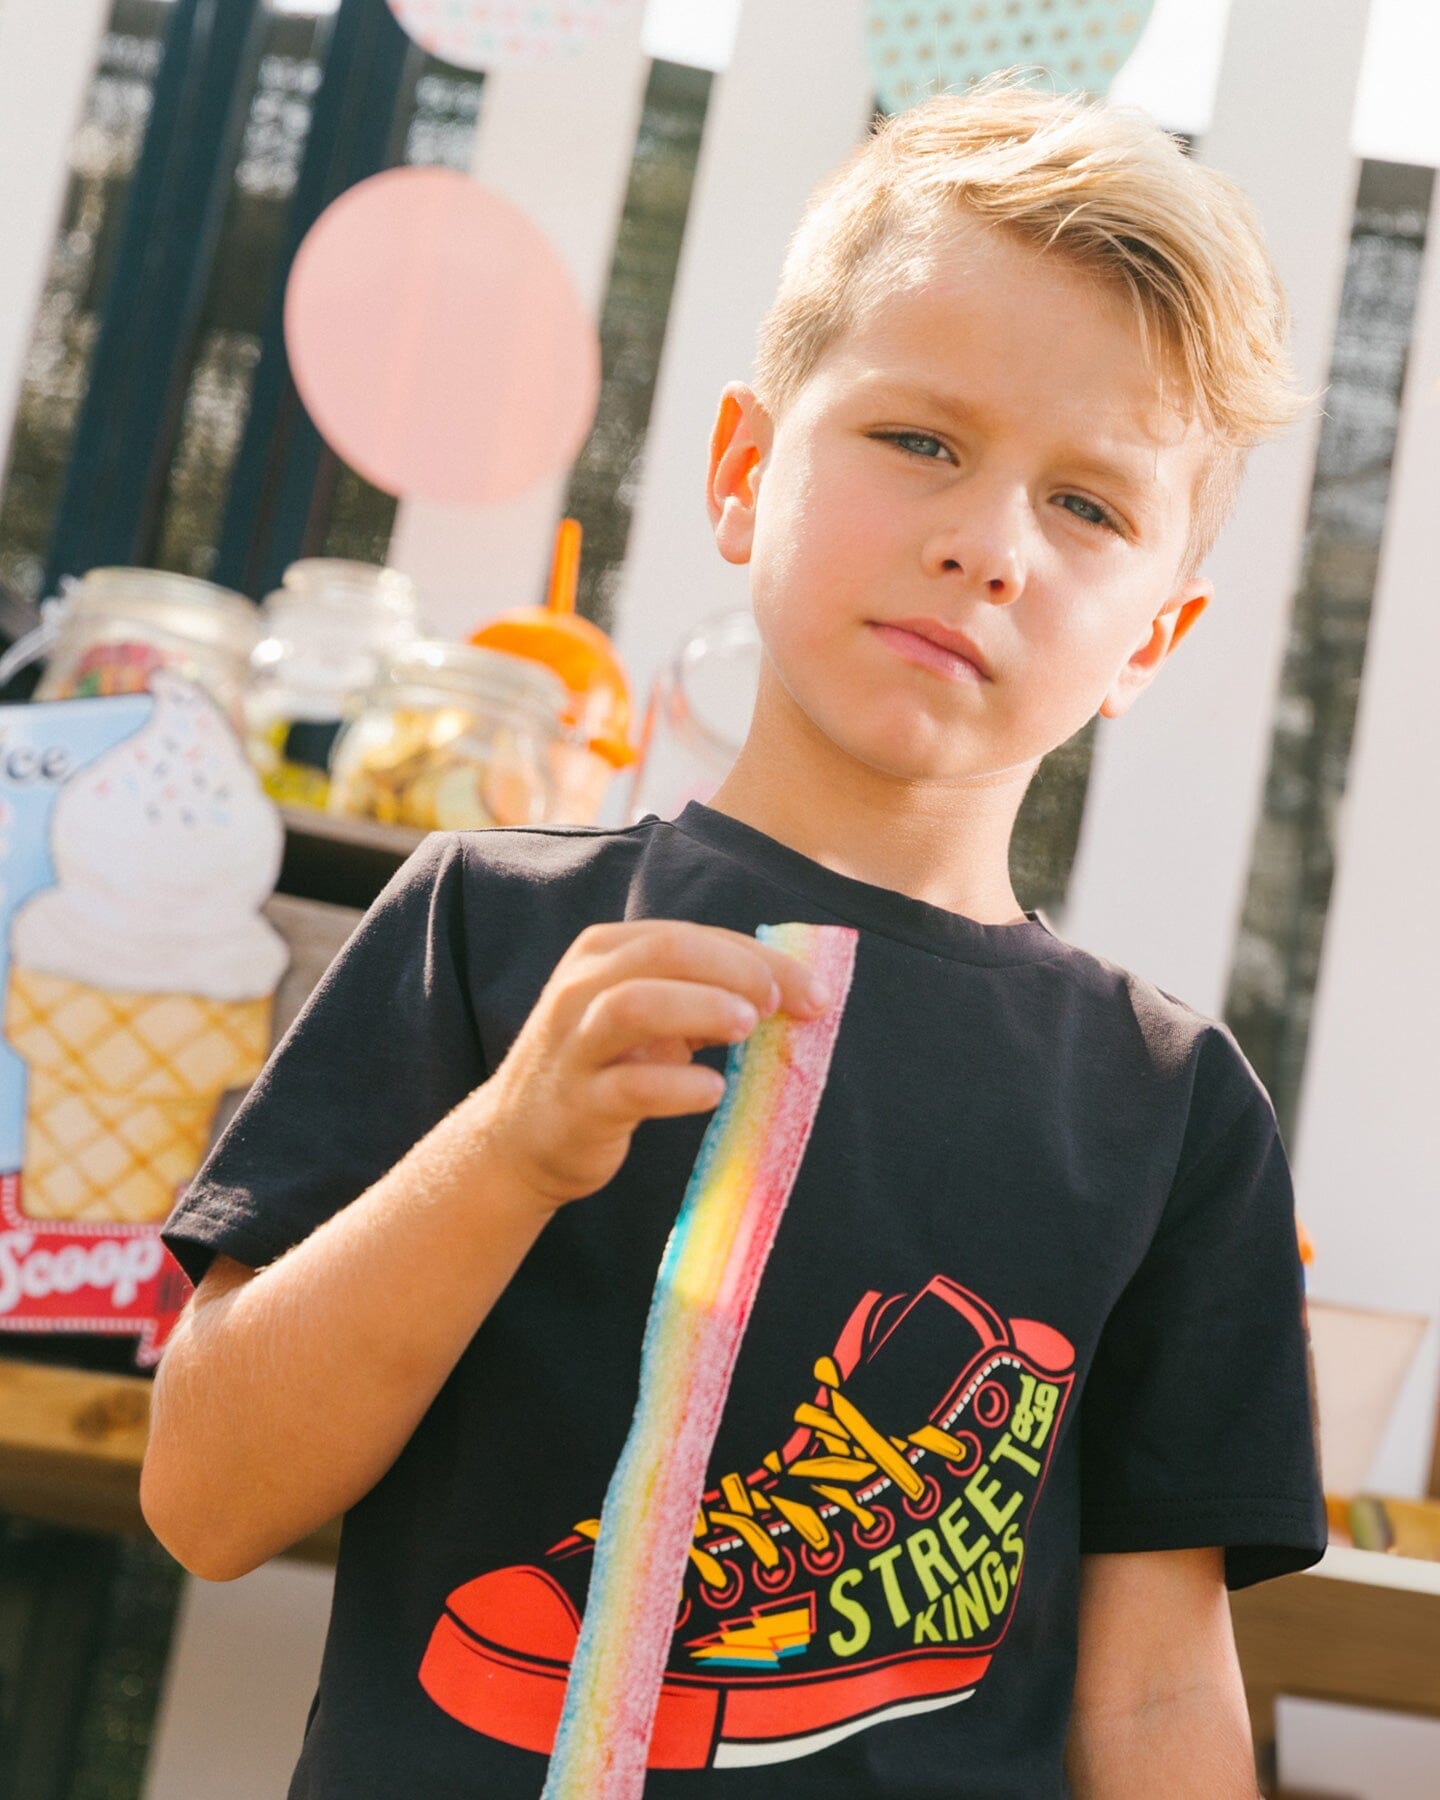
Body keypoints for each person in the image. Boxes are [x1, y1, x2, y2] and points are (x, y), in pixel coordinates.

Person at [143, 72, 1327, 1798]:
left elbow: (1153, 1700)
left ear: (1155, 638)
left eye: (1089, 506)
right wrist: (508, 1153)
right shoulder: (489, 927)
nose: (986, 545)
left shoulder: (1169, 1110)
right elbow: (207, 1495)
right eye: (920, 439)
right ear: (744, 470)